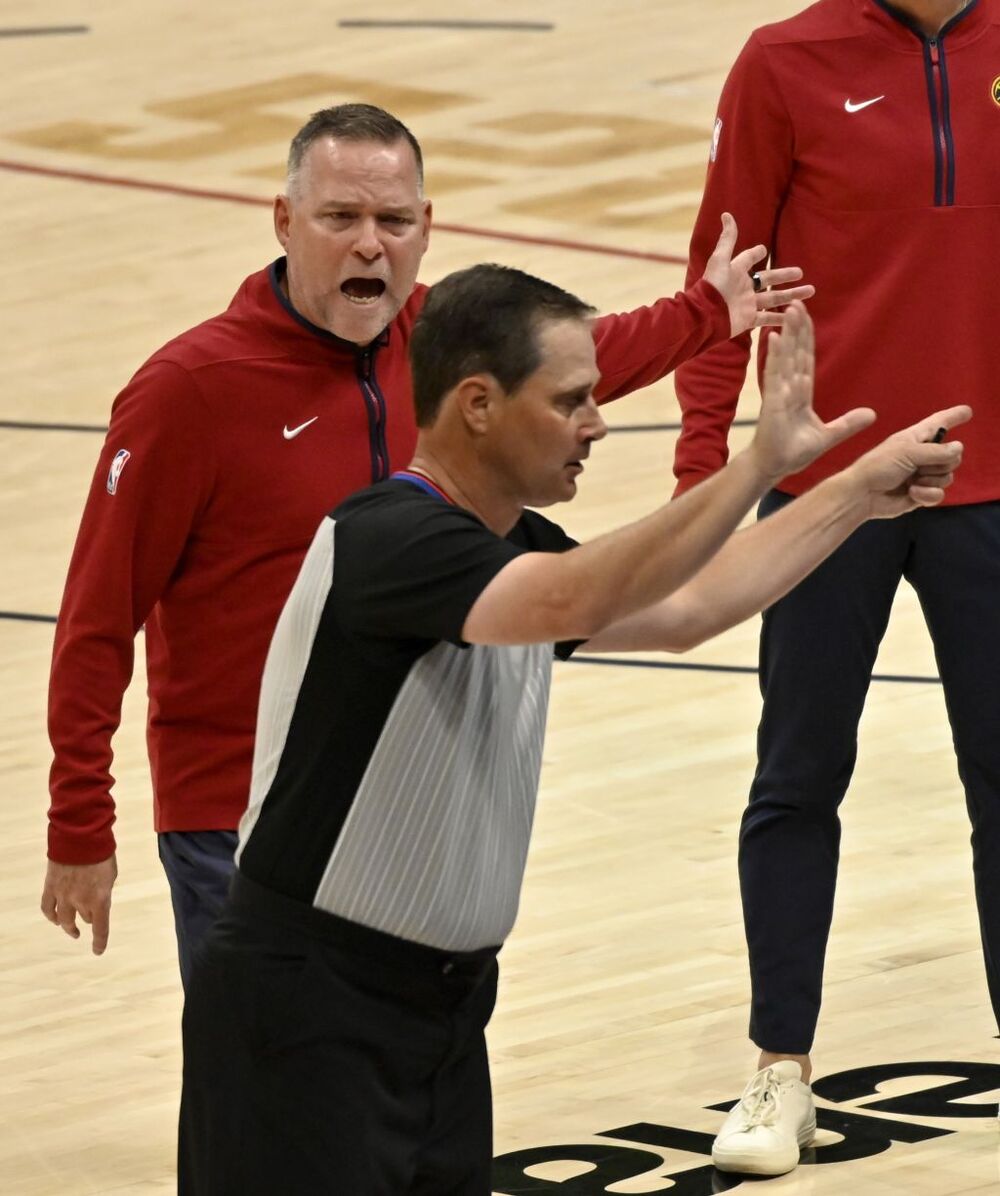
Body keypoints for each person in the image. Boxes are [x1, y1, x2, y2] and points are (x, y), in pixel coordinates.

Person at [178, 261, 966, 1194]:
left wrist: (852, 495)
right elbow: (578, 594)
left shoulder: (501, 542)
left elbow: (689, 609)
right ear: (477, 404)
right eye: (571, 400)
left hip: (442, 1009)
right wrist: (757, 465)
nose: (597, 422)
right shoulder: (392, 539)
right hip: (309, 1008)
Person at [39, 102, 812, 985]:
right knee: (262, 1092)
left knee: (395, 1071)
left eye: (394, 221)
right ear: (285, 221)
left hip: (409, 793)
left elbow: (570, 362)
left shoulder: (444, 351)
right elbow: (96, 621)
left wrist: (706, 313)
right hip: (236, 815)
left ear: (427, 228)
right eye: (341, 219)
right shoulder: (188, 393)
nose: (371, 245)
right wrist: (78, 825)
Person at [672, 0, 1000, 1177]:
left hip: (994, 486)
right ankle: (781, 1071)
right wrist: (697, 469)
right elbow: (723, 285)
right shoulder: (782, 62)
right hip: (826, 482)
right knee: (797, 774)